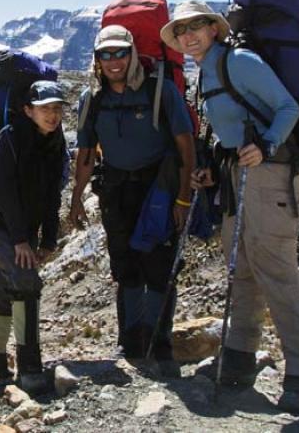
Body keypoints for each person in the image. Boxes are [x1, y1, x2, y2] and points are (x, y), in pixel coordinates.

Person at [161, 0, 299, 414]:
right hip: (235, 175)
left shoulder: (241, 61)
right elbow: (229, 127)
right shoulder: (205, 71)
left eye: (197, 25)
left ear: (214, 28)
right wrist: (212, 168)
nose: (188, 34)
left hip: (270, 173)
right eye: (180, 29)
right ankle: (238, 359)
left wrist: (266, 145)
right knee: (242, 267)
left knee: (277, 273)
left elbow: (289, 108)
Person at [70, 25, 195, 377]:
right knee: (125, 265)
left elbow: (186, 146)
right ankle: (131, 342)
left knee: (159, 264)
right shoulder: (92, 99)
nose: (114, 61)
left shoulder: (161, 91)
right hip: (116, 190)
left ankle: (161, 344)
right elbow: (85, 154)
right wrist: (76, 200)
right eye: (105, 55)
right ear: (96, 59)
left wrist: (183, 200)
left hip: (159, 188)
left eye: (120, 53)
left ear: (133, 54)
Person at [0, 80, 67, 393]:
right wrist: (19, 240)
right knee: (26, 276)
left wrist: (48, 241)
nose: (52, 115)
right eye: (45, 109)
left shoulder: (56, 143)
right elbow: (1, 191)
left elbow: (53, 196)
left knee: (9, 281)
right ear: (28, 110)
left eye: (57, 108)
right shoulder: (10, 137)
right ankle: (29, 367)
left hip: (23, 231)